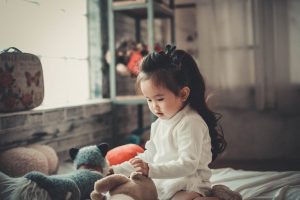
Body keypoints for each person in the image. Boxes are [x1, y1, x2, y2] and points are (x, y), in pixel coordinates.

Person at [110, 45, 228, 200]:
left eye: (159, 99)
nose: (154, 106)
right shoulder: (160, 123)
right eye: (149, 100)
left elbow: (188, 165)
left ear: (183, 93)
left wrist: (151, 170)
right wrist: (115, 170)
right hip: (165, 183)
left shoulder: (191, 122)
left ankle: (219, 196)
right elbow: (150, 156)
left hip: (190, 185)